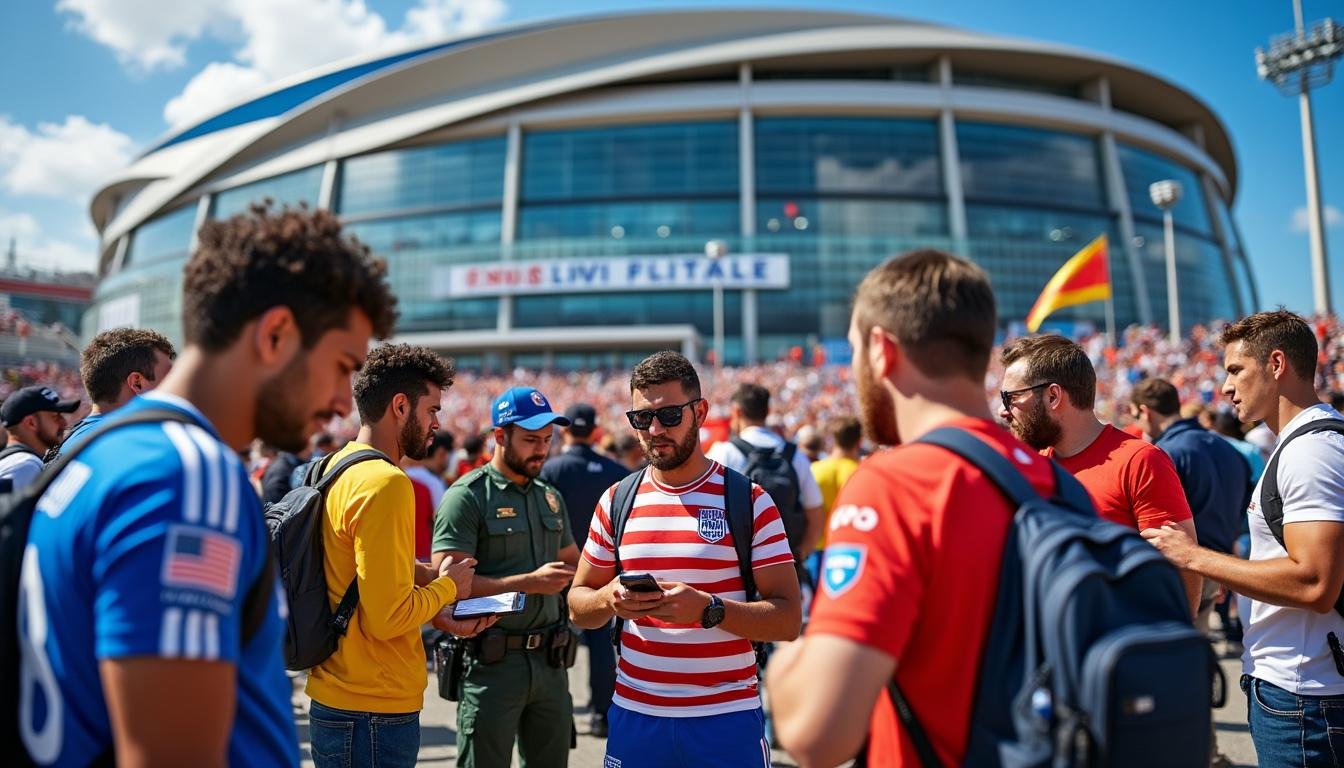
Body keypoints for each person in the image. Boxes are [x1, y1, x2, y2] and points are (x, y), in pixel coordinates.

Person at [18, 203, 397, 766]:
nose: (345, 401)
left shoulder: (112, 446)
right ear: (275, 335)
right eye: (343, 365)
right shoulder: (186, 476)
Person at [766, 250, 1059, 766]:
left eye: (853, 351)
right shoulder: (1049, 475)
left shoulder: (896, 482)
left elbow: (817, 734)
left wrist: (786, 660)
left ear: (881, 350)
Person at [569, 351, 802, 768]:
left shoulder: (749, 502)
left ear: (700, 412)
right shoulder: (617, 500)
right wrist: (610, 599)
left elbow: (787, 621)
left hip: (725, 720)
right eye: (642, 419)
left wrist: (710, 610)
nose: (655, 430)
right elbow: (578, 604)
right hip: (637, 716)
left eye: (670, 415)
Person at [1144, 310, 1344, 767]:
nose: (1226, 388)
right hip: (1303, 690)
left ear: (1276, 365)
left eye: (1236, 370)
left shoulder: (1311, 452)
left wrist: (1193, 557)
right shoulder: (1303, 445)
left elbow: (1314, 582)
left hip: (1305, 697)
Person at [306, 343, 477, 768]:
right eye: (432, 410)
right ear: (400, 406)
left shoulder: (335, 465)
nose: (437, 423)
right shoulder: (387, 483)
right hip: (372, 709)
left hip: (339, 696)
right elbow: (387, 619)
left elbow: (350, 570)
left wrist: (420, 576)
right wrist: (447, 587)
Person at [998, 334, 1201, 613]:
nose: (1002, 410)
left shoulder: (1139, 461)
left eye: (1011, 397)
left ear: (1053, 396)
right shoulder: (1035, 466)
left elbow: (1183, 572)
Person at [432, 386, 580, 768]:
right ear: (500, 436)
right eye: (531, 439)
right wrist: (527, 582)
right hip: (492, 666)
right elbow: (446, 586)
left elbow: (572, 561)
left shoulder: (549, 496)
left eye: (548, 439)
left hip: (550, 662)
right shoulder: (467, 496)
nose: (542, 449)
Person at [539, 403, 630, 738]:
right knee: (602, 645)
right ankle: (601, 714)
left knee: (552, 639)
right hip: (601, 569)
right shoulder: (614, 470)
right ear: (594, 431)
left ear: (565, 431)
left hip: (559, 568)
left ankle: (556, 714)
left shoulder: (552, 469)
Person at [1130, 377, 1251, 630]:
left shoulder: (1161, 453)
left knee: (1176, 659)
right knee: (1197, 655)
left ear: (1145, 411)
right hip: (1218, 568)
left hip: (1185, 572)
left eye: (1135, 415)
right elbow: (1242, 509)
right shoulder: (1228, 448)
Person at [707, 383, 825, 563]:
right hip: (785, 565)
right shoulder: (795, 456)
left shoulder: (724, 453)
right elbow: (816, 513)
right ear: (768, 411)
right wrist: (800, 555)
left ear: (736, 412)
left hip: (739, 567)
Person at [52, 327, 176, 459]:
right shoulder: (129, 447)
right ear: (136, 383)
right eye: (169, 376)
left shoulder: (76, 438)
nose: (175, 386)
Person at [806, 416, 862, 584]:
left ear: (833, 439)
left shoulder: (815, 470)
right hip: (850, 551)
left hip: (815, 547)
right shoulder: (862, 472)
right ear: (859, 441)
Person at [0, 385, 78, 492]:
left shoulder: (16, 461)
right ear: (31, 423)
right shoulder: (25, 466)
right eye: (55, 416)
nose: (64, 423)